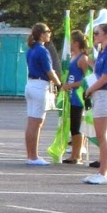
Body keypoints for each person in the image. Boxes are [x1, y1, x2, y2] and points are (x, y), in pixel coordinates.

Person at [85, 19, 107, 184]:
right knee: (105, 134)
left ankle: (103, 173)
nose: (94, 36)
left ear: (106, 35)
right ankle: (103, 170)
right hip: (101, 95)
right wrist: (89, 61)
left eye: (97, 33)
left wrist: (89, 89)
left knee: (102, 136)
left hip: (105, 95)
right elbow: (98, 71)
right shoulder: (103, 51)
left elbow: (105, 78)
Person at [24, 23, 57, 164]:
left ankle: (30, 155)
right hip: (40, 85)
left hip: (31, 84)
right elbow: (49, 71)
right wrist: (59, 83)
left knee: (32, 121)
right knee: (37, 122)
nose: (49, 34)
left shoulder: (31, 49)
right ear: (42, 34)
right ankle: (34, 156)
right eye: (47, 31)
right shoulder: (42, 50)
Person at [62, 31, 89, 164]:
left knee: (76, 125)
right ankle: (73, 153)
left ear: (76, 43)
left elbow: (87, 79)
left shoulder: (82, 58)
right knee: (72, 125)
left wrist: (71, 85)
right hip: (71, 96)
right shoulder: (72, 57)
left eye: (71, 42)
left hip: (78, 96)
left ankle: (77, 155)